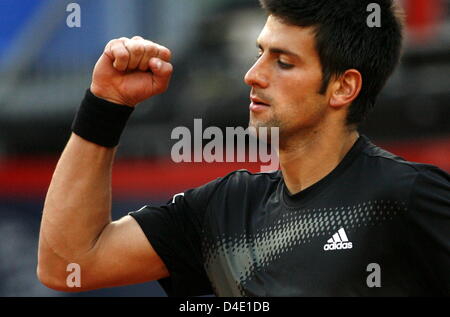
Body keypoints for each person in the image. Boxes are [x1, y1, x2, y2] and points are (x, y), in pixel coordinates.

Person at [37, 0, 449, 296]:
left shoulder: (405, 197)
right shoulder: (222, 210)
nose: (253, 75)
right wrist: (106, 104)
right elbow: (69, 265)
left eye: (282, 62)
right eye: (259, 54)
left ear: (343, 87)